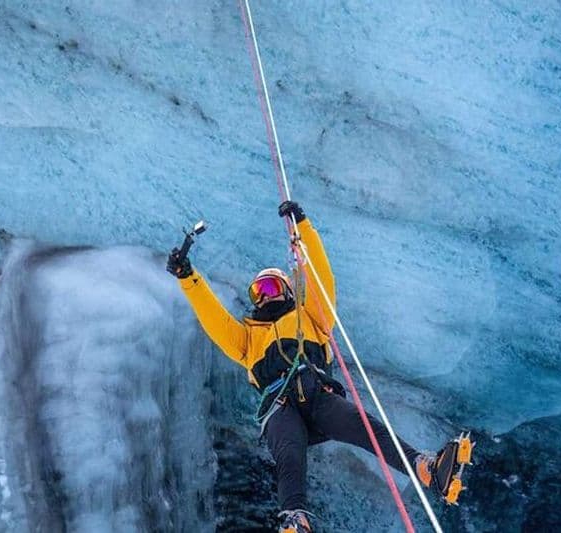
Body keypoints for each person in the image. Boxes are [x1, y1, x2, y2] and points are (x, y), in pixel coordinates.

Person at [167, 201, 464, 533]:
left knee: (366, 428)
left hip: (316, 395)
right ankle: (295, 520)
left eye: (270, 287)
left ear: (287, 290)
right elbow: (214, 319)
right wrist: (188, 278)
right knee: (289, 456)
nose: (264, 296)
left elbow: (321, 276)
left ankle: (426, 469)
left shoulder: (310, 317)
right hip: (279, 405)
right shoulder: (248, 339)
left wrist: (303, 228)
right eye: (257, 291)